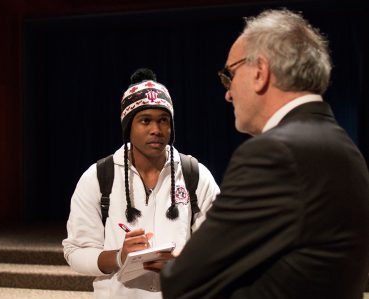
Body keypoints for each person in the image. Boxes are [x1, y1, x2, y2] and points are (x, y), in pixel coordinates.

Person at [160, 9, 369, 299]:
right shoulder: (344, 147)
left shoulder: (274, 154)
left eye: (229, 75)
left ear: (260, 72)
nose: (228, 93)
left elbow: (181, 281)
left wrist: (185, 259)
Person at [62, 68, 219, 299]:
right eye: (145, 121)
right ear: (128, 127)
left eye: (163, 120)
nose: (156, 130)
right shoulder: (98, 177)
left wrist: (182, 264)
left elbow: (218, 246)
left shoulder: (195, 174)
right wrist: (120, 256)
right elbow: (75, 251)